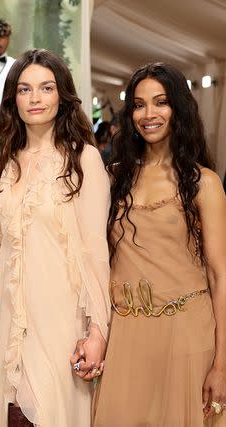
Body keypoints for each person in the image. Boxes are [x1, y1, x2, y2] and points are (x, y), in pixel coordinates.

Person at [0, 48, 111, 427]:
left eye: (46, 88)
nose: (35, 98)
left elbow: (95, 253)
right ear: (12, 99)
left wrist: (98, 331)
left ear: (61, 95)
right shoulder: (5, 161)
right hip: (7, 318)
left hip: (60, 320)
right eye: (25, 89)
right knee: (10, 416)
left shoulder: (83, 159)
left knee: (52, 414)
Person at [93, 63, 226, 426]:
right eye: (138, 104)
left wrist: (222, 364)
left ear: (178, 108)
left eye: (160, 102)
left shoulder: (204, 183)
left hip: (187, 336)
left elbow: (219, 275)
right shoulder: (113, 177)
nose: (148, 114)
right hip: (126, 336)